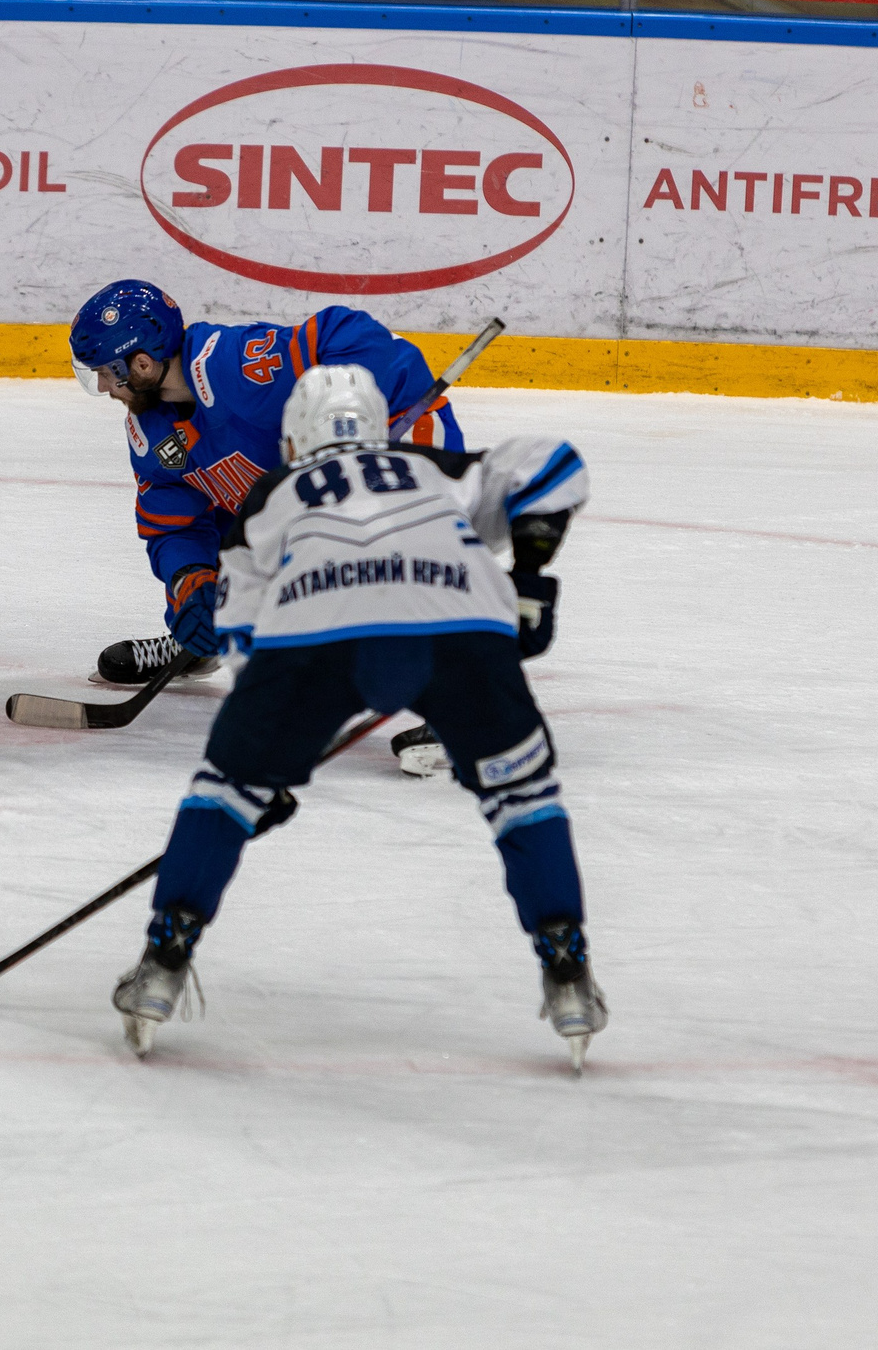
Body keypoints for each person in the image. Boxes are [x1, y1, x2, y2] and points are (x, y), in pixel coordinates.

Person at [108, 363, 604, 1067]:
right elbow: (555, 466)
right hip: (458, 625)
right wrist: (528, 582)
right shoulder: (436, 470)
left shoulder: (270, 496)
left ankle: (162, 966)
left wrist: (265, 768)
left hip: (316, 636)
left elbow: (240, 633)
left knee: (223, 792)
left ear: (295, 436)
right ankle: (569, 975)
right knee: (522, 796)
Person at [69, 277, 463, 771]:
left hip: (399, 452)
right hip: (307, 509)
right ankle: (204, 639)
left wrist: (357, 428)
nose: (104, 388)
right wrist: (192, 585)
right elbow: (173, 524)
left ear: (142, 363)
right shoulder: (150, 431)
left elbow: (340, 330)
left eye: (107, 373)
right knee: (245, 534)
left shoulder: (233, 366)